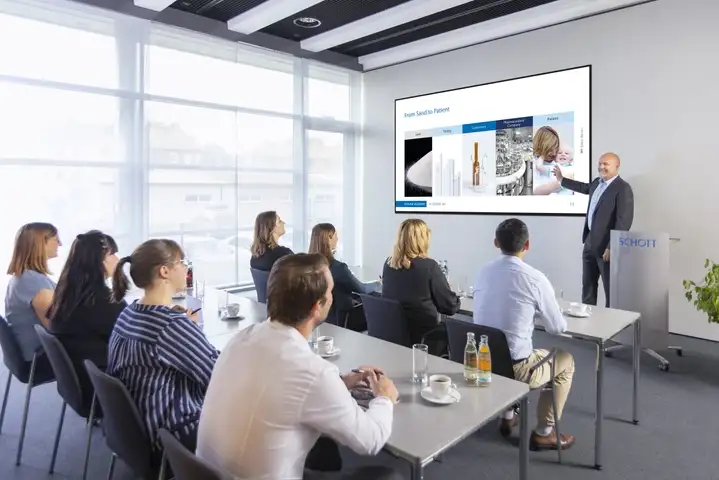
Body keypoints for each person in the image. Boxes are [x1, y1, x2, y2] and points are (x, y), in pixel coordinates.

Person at [197, 253, 401, 480]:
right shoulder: (314, 372)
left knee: (324, 452)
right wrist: (384, 398)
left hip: (208, 472)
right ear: (317, 307)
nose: (332, 298)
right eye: (330, 292)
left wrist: (340, 383)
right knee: (388, 476)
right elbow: (370, 441)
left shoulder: (240, 339)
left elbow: (280, 386)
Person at [108, 239, 219, 454]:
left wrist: (188, 330)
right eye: (181, 262)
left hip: (135, 429)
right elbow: (218, 378)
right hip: (172, 433)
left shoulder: (129, 312)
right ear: (165, 271)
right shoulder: (170, 325)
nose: (186, 267)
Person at [473, 218, 575, 450]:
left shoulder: (482, 271)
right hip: (516, 370)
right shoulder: (535, 278)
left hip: (480, 363)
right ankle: (544, 433)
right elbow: (557, 328)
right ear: (527, 245)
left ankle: (508, 416)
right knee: (565, 361)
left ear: (496, 242)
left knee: (510, 348)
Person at [48, 231, 126, 411]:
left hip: (80, 381)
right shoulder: (101, 300)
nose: (117, 259)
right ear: (98, 262)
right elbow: (134, 339)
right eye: (112, 254)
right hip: (101, 388)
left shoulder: (68, 291)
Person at [554, 152, 634, 306]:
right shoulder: (597, 182)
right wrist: (561, 179)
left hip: (607, 247)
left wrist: (612, 246)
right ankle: (588, 320)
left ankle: (611, 324)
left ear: (617, 166)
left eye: (606, 164)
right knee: (588, 286)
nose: (602, 167)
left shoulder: (623, 188)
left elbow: (624, 221)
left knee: (611, 290)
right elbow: (583, 188)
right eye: (600, 163)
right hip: (590, 242)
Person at [381, 219, 460, 354]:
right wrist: (455, 297)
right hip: (423, 337)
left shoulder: (388, 264)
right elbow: (449, 307)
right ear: (422, 240)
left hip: (394, 335)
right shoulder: (429, 266)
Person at [308, 223, 381, 331]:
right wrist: (379, 283)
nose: (337, 238)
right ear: (328, 239)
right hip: (344, 320)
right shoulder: (339, 268)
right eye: (335, 235)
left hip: (319, 320)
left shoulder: (307, 266)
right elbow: (362, 289)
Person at [5, 222, 60, 361]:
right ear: (41, 244)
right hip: (41, 357)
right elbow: (58, 326)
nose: (60, 244)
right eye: (56, 239)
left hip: (36, 353)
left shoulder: (25, 277)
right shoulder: (32, 282)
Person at [531, 126, 560, 194]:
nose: (554, 153)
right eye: (550, 149)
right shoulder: (535, 162)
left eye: (556, 148)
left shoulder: (555, 162)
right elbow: (535, 191)